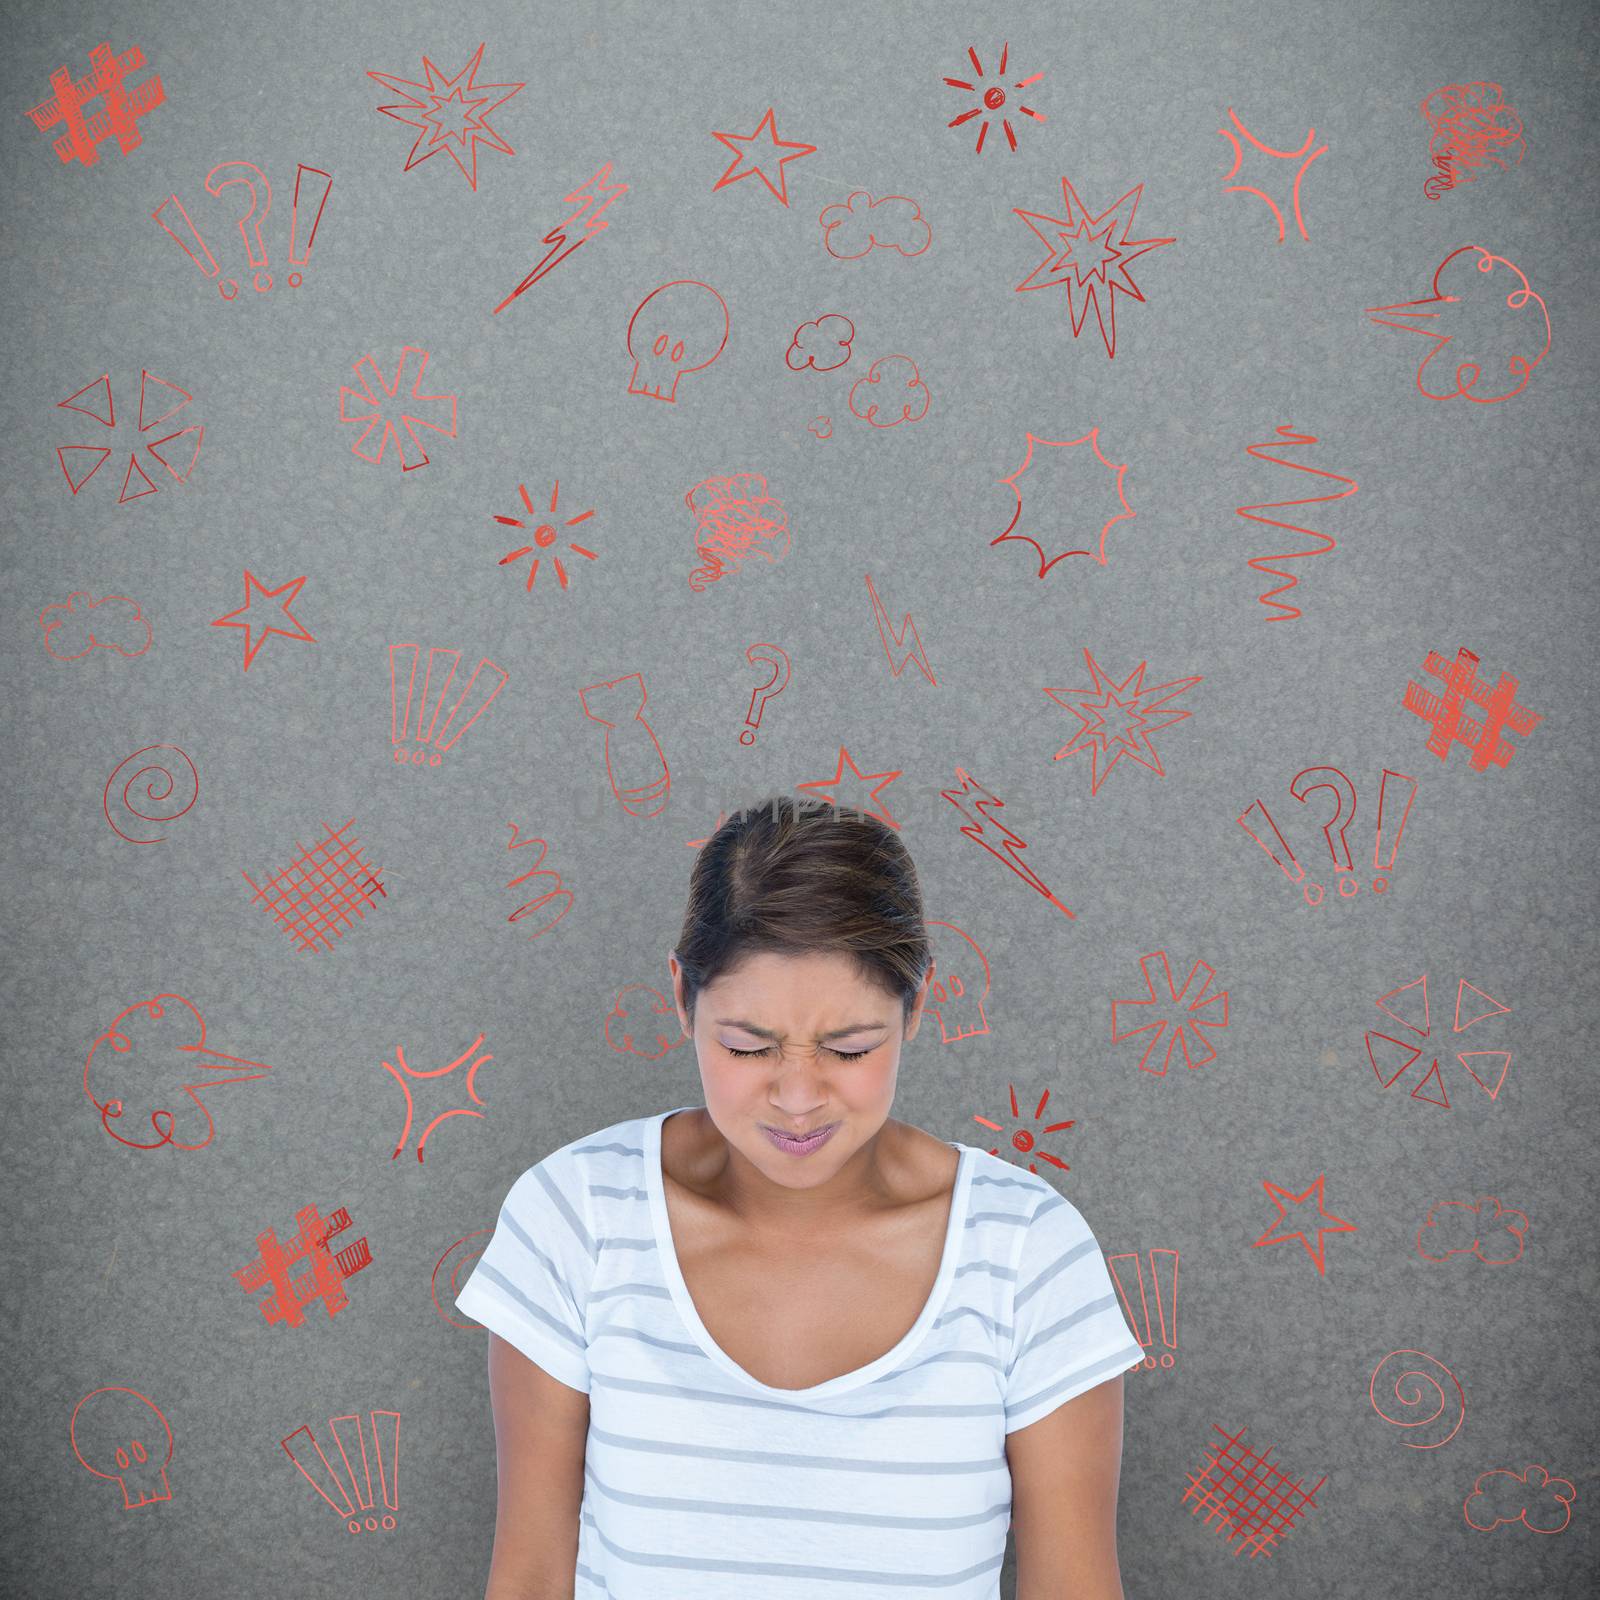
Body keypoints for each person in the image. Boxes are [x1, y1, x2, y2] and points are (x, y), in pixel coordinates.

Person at [455, 794, 1145, 1599]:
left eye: (848, 1048)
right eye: (749, 1046)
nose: (797, 1096)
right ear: (682, 996)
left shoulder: (1027, 1251)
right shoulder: (576, 1218)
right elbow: (532, 1579)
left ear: (917, 1004)